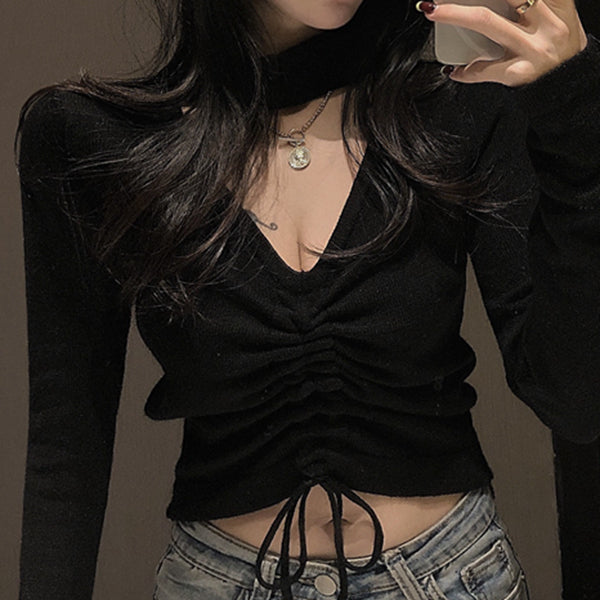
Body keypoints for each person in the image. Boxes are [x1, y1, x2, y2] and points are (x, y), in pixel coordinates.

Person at [15, 0, 600, 598]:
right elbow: (67, 448)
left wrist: (575, 113)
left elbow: (574, 402)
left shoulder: (459, 104)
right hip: (219, 583)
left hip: (448, 578)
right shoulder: (90, 139)